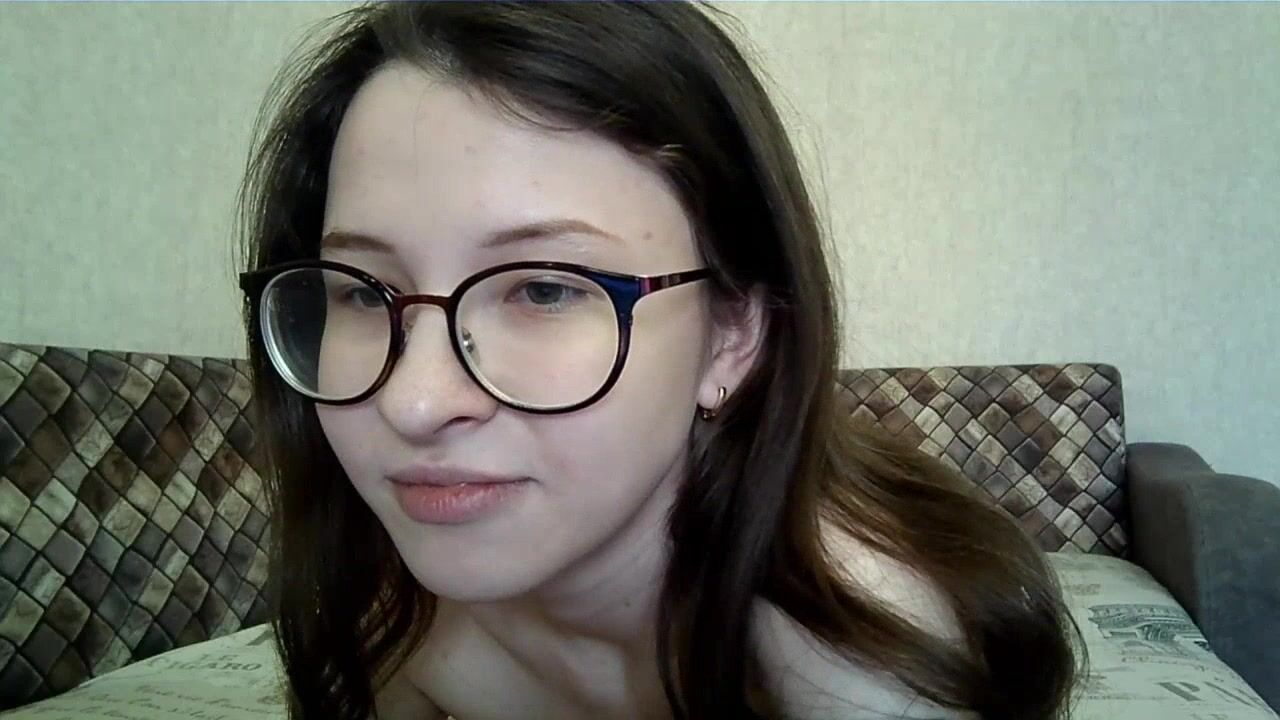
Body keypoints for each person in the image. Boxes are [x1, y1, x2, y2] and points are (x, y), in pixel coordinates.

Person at [235, 2, 1082, 719]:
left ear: (732, 333)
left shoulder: (854, 665)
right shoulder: (380, 605)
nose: (413, 402)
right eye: (362, 293)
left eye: (545, 289)